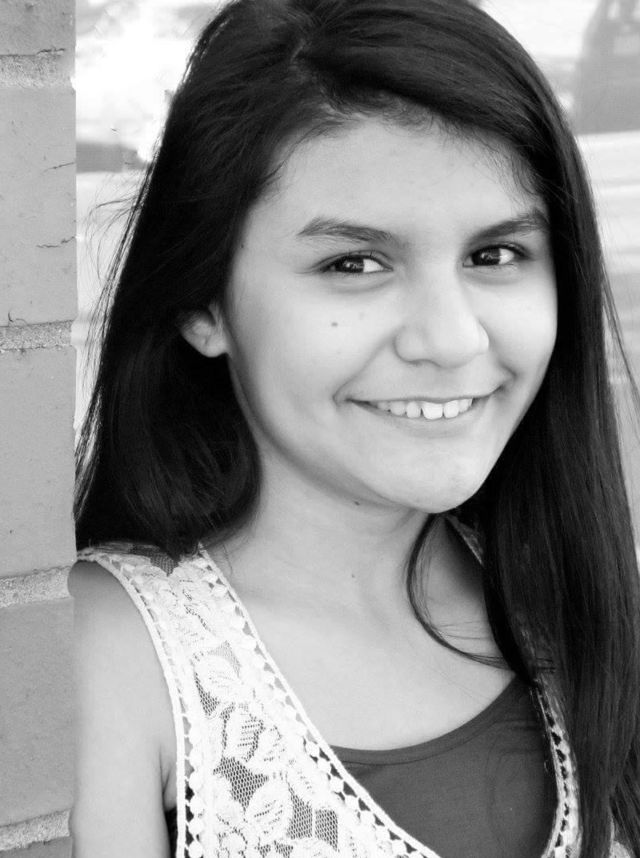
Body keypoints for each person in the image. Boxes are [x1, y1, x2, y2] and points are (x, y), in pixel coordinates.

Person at [69, 0, 640, 856]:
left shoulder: (570, 592)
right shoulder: (109, 656)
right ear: (202, 303)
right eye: (355, 263)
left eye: (494, 255)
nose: (451, 340)